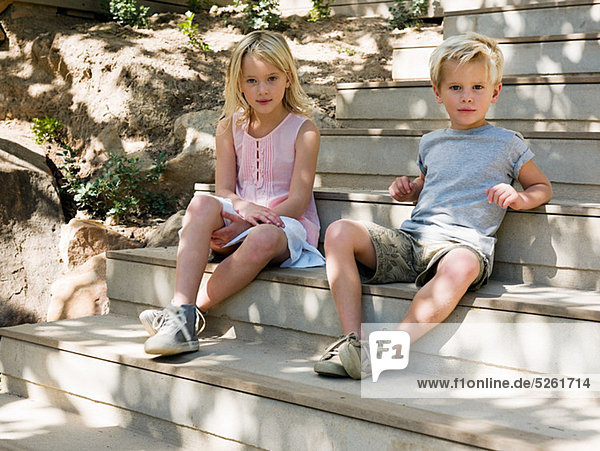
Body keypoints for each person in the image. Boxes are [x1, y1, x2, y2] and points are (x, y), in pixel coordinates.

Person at [314, 32, 553, 379]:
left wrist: (519, 198)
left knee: (460, 267)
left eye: (477, 88)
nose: (467, 97)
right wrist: (408, 189)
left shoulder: (508, 144)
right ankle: (352, 340)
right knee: (338, 231)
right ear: (438, 94)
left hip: (462, 246)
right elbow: (428, 185)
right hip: (412, 241)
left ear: (495, 92)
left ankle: (388, 352)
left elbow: (542, 186)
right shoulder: (432, 142)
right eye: (455, 88)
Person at [140, 30, 324, 356]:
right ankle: (181, 309)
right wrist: (240, 209)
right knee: (200, 204)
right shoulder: (228, 127)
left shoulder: (304, 130)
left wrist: (248, 224)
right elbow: (224, 189)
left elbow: (297, 202)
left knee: (262, 238)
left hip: (285, 226)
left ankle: (181, 316)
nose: (262, 89)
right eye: (251, 81)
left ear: (288, 78)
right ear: (239, 83)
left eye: (271, 78)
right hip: (240, 213)